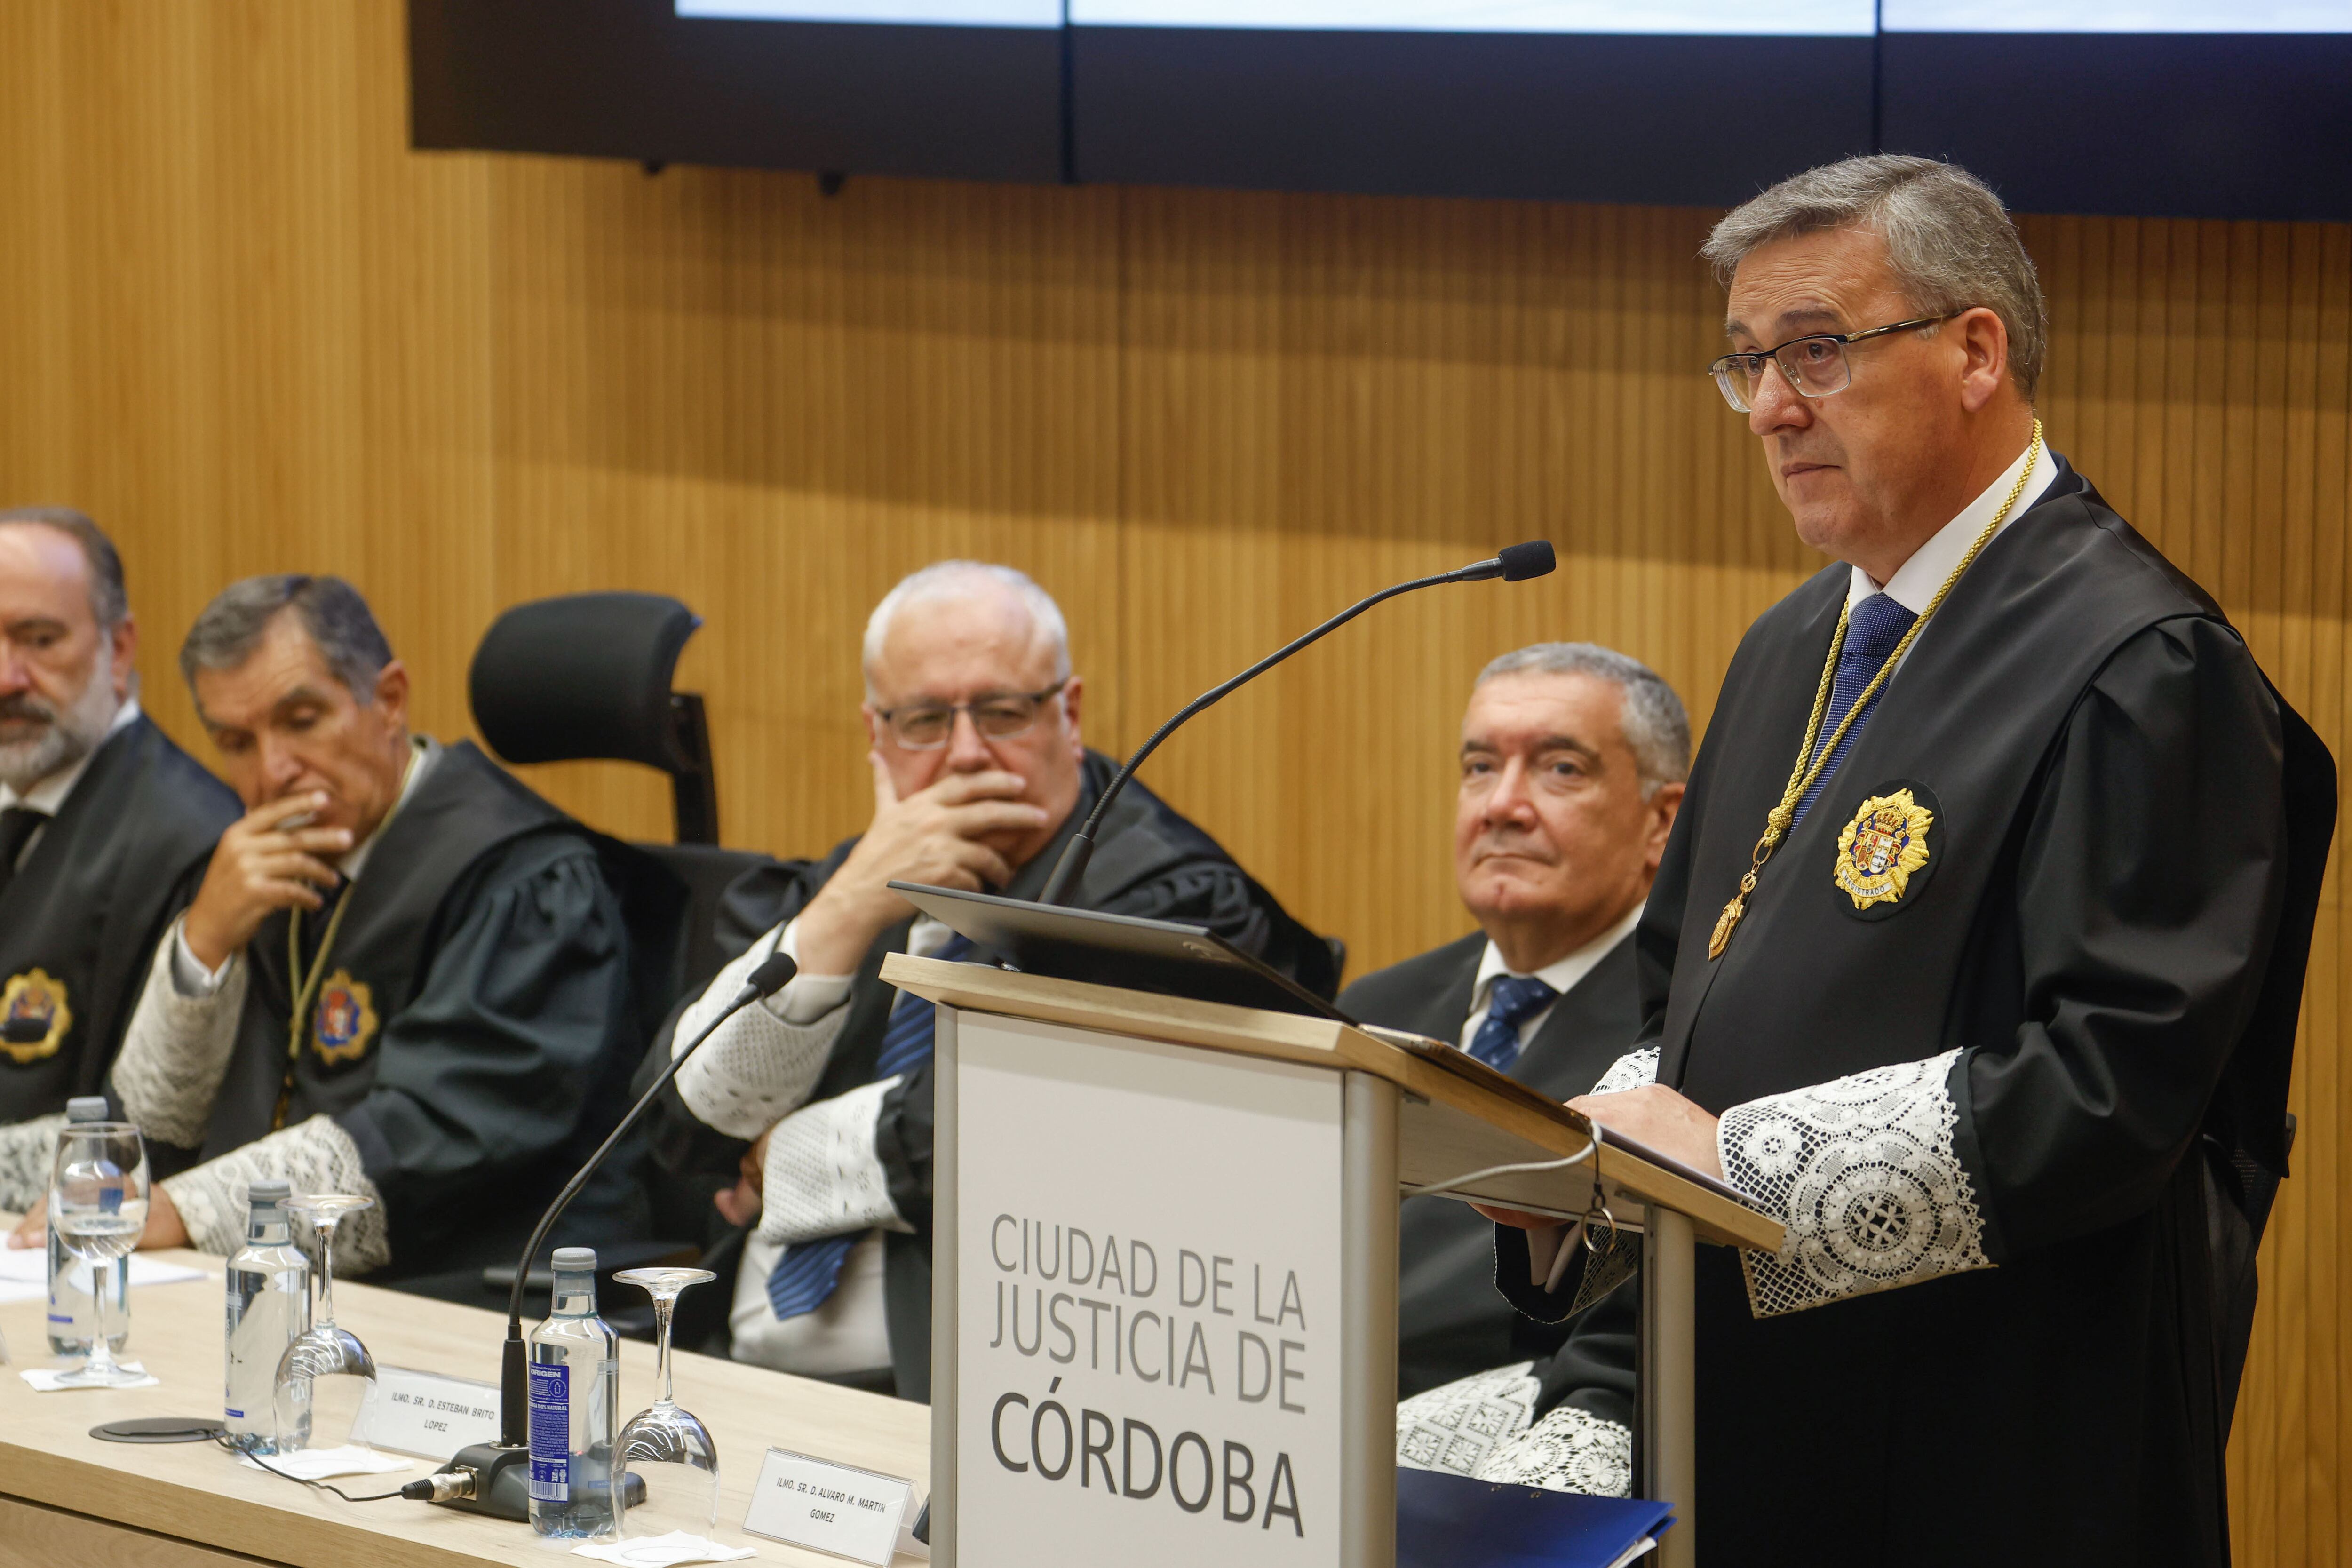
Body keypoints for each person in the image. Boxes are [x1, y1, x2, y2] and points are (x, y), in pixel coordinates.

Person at [1473, 155, 2334, 1563]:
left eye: (1818, 350)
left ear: (1975, 350)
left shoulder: (2139, 661)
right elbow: (1671, 999)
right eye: (1747, 362)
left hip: (1997, 1435)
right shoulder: (1789, 644)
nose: (1772, 407)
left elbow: (2119, 1082)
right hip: (1759, 1415)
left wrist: (1739, 1168)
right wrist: (1578, 1164)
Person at [667, 560, 1335, 1400]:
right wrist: (841, 914)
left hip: (997, 1396)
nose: (966, 753)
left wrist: (783, 1161)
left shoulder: (1166, 900)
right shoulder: (862, 873)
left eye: (1002, 711)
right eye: (923, 721)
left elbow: (1026, 1114)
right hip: (736, 1367)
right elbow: (677, 1126)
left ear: (1070, 714)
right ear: (876, 735)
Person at [4, 575, 655, 1285]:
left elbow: (431, 1136)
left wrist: (184, 1212)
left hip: (484, 1301)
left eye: (302, 719)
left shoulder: (524, 879)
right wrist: (204, 944)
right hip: (289, 1287)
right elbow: (157, 1127)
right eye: (236, 741)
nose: (273, 770)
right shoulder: (268, 863)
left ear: (390, 700)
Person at [1336, 643, 1684, 1401]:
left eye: (1561, 768)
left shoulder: (1683, 1035)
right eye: (1480, 767)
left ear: (1663, 821)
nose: (1502, 804)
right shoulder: (1374, 1007)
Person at [0, 509, 238, 1179]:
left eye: (39, 640)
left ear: (121, 648)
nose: (6, 678)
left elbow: (153, 1131)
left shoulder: (193, 840)